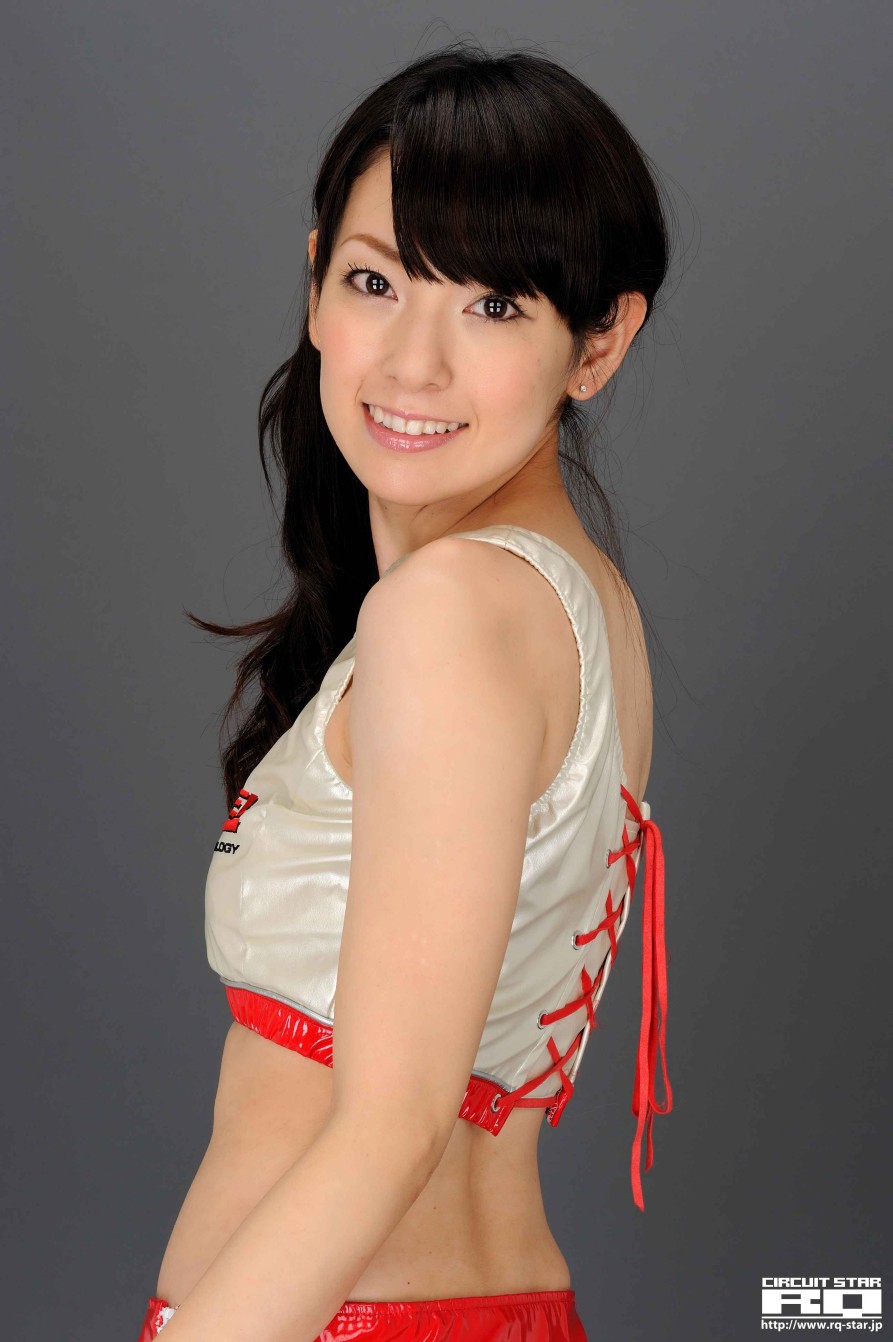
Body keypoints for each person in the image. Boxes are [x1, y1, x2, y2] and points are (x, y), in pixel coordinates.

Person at [137, 39, 675, 1342]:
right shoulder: (577, 606)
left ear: (599, 341)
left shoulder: (451, 612)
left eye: (493, 305)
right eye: (376, 282)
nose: (412, 365)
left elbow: (389, 1130)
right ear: (316, 282)